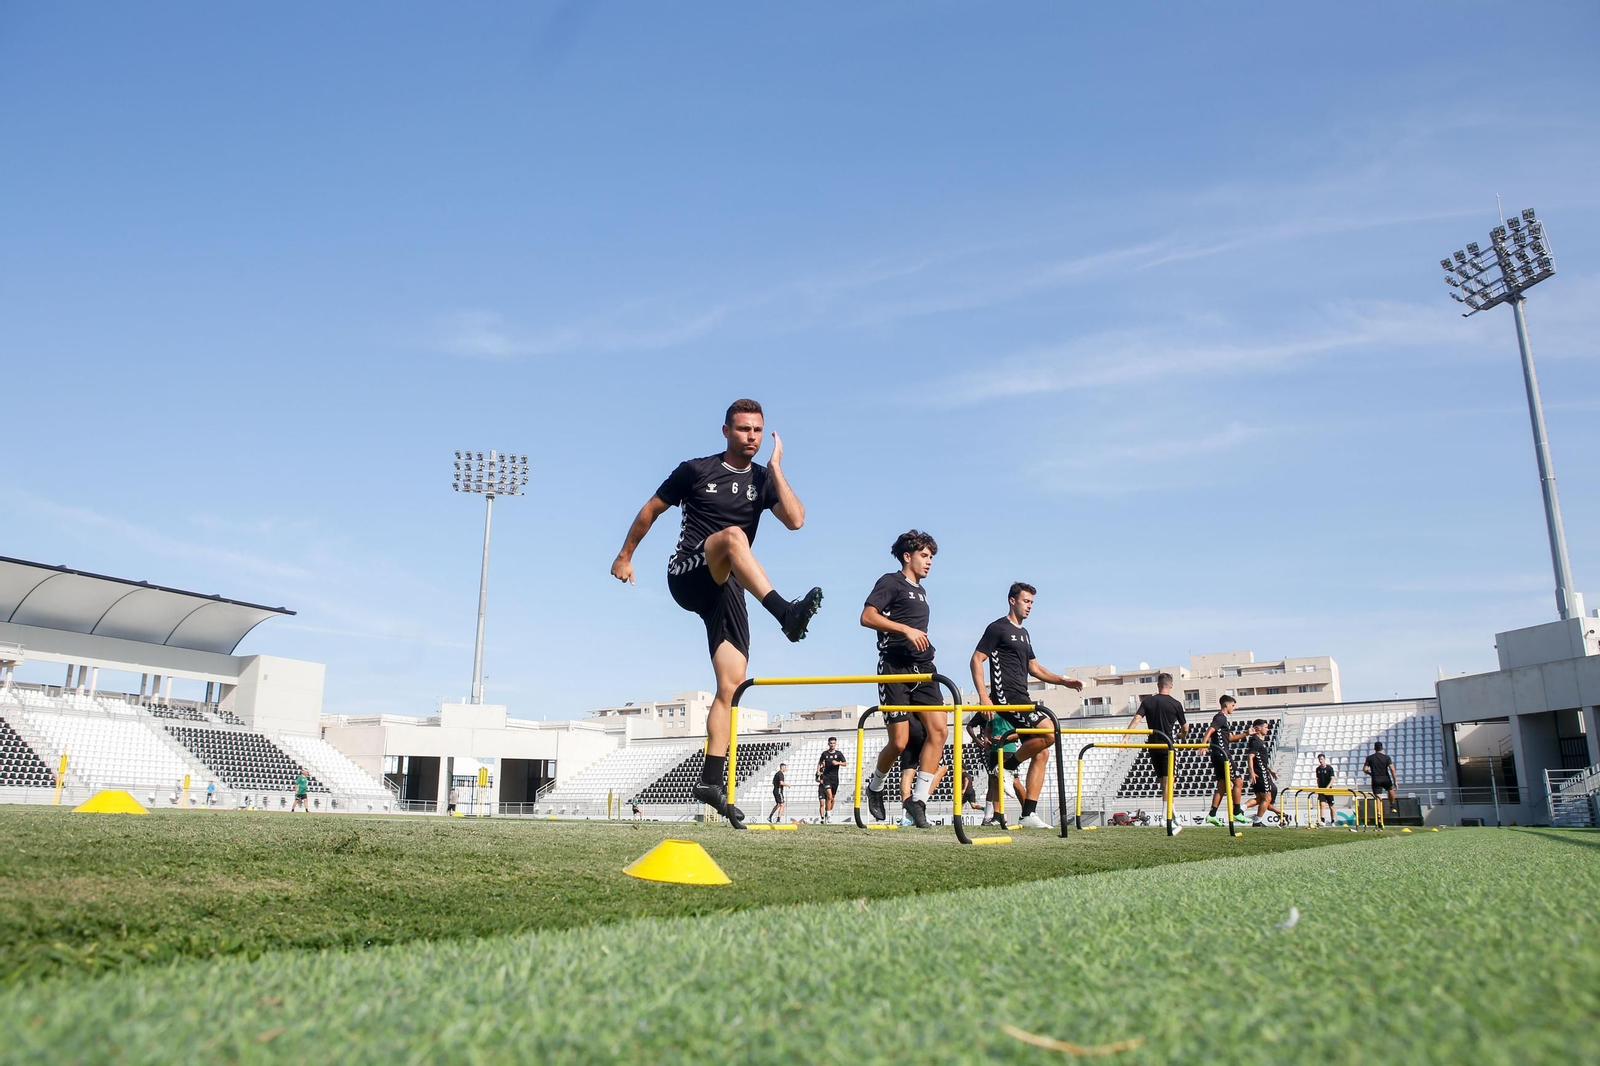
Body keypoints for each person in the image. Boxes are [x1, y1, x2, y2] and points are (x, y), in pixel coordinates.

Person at [611, 399, 822, 830]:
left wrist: (776, 468)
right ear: (726, 431)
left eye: (757, 430)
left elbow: (797, 520)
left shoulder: (763, 479)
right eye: (743, 429)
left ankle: (710, 780)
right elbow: (651, 509)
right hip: (688, 571)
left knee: (731, 685)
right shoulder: (695, 470)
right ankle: (785, 613)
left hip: (727, 588)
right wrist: (625, 556)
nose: (751, 436)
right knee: (731, 537)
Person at [971, 583, 1082, 829]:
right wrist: (984, 696)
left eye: (1032, 602)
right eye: (1026, 601)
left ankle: (1028, 814)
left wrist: (1062, 681)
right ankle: (1007, 768)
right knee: (1050, 731)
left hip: (1023, 697)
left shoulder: (1024, 634)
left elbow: (1035, 668)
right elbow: (976, 659)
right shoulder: (997, 628)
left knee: (1042, 752)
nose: (1029, 606)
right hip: (1006, 697)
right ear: (1012, 601)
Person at [861, 530, 946, 828]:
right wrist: (905, 630)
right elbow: (867, 617)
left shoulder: (922, 591)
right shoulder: (890, 582)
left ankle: (918, 800)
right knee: (899, 742)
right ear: (907, 556)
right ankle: (875, 787)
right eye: (924, 555)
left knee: (939, 731)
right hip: (894, 668)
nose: (929, 561)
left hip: (923, 668)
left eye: (931, 557)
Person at [1128, 672, 1187, 834]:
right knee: (1169, 783)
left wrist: (1126, 737)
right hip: (1168, 746)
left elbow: (1137, 719)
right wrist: (1183, 736)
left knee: (1164, 783)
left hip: (1153, 745)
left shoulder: (1148, 701)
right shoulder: (1175, 704)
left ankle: (1173, 815)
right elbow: (1185, 727)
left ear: (1158, 685)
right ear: (1171, 685)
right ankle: (1165, 817)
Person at [967, 709, 1025, 827]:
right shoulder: (992, 712)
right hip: (994, 750)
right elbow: (988, 729)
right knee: (994, 781)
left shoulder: (1012, 711)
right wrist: (987, 739)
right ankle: (997, 815)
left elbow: (1022, 731)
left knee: (1014, 780)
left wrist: (1006, 738)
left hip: (1008, 749)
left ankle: (1027, 811)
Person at [1200, 695, 1247, 826]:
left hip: (1217, 754)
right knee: (1238, 782)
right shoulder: (1220, 717)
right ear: (1226, 705)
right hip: (1222, 754)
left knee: (1222, 786)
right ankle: (1237, 812)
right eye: (1233, 705)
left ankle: (1212, 815)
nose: (1234, 708)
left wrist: (1246, 733)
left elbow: (1230, 738)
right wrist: (1203, 745)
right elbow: (1210, 730)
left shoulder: (1223, 720)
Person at [896, 713, 948, 827]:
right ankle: (919, 805)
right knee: (941, 768)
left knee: (908, 772)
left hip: (907, 727)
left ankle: (906, 815)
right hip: (925, 730)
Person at [1244, 720, 1284, 826]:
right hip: (1261, 774)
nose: (1267, 729)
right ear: (1258, 728)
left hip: (1261, 772)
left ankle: (1241, 809)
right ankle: (1257, 821)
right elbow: (1250, 757)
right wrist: (1251, 772)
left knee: (1260, 799)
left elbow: (1260, 760)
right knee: (1267, 799)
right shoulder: (1256, 741)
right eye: (1265, 727)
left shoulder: (1257, 741)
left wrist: (1270, 770)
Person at [1363, 741, 1398, 818]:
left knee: (1378, 796)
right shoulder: (1386, 757)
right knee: (1390, 789)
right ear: (1382, 748)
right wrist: (1395, 781)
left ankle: (1378, 813)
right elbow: (1392, 769)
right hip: (1385, 778)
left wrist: (1370, 774)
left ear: (1374, 748)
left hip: (1376, 779)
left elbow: (1365, 769)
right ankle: (1392, 805)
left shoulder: (1370, 758)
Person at [817, 737, 846, 823]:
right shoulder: (825, 754)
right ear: (828, 744)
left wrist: (838, 763)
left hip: (835, 778)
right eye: (831, 743)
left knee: (832, 798)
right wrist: (818, 770)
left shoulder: (839, 754)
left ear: (835, 744)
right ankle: (829, 816)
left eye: (833, 743)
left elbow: (845, 763)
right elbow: (820, 762)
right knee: (829, 796)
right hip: (826, 778)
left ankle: (828, 812)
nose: (832, 745)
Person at [1315, 754, 1337, 825]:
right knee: (1322, 804)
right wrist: (1319, 787)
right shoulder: (1318, 769)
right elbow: (1318, 779)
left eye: (1321, 759)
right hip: (1321, 789)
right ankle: (1322, 820)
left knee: (1331, 806)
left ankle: (1333, 820)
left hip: (1329, 790)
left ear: (1324, 759)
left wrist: (1328, 787)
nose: (1320, 761)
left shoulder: (1329, 768)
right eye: (1319, 759)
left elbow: (1332, 778)